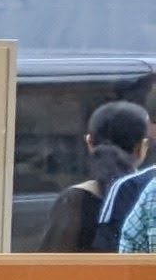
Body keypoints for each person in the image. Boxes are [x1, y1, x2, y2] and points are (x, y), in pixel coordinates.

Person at [45, 98, 149, 251]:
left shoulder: (74, 199)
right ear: (142, 147)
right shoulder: (149, 196)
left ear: (89, 142)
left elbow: (50, 263)